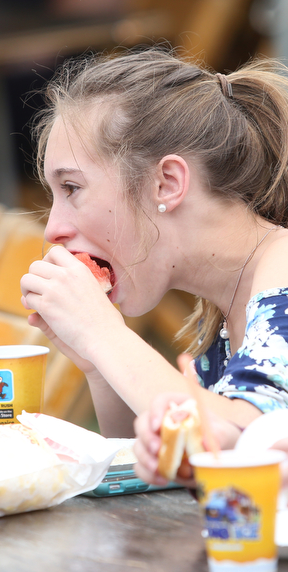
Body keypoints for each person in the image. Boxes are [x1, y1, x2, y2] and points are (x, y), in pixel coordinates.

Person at [19, 46, 288, 485]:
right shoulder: (228, 300)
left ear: (167, 183)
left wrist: (102, 334)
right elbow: (145, 469)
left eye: (71, 187)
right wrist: (96, 362)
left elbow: (242, 441)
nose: (53, 229)